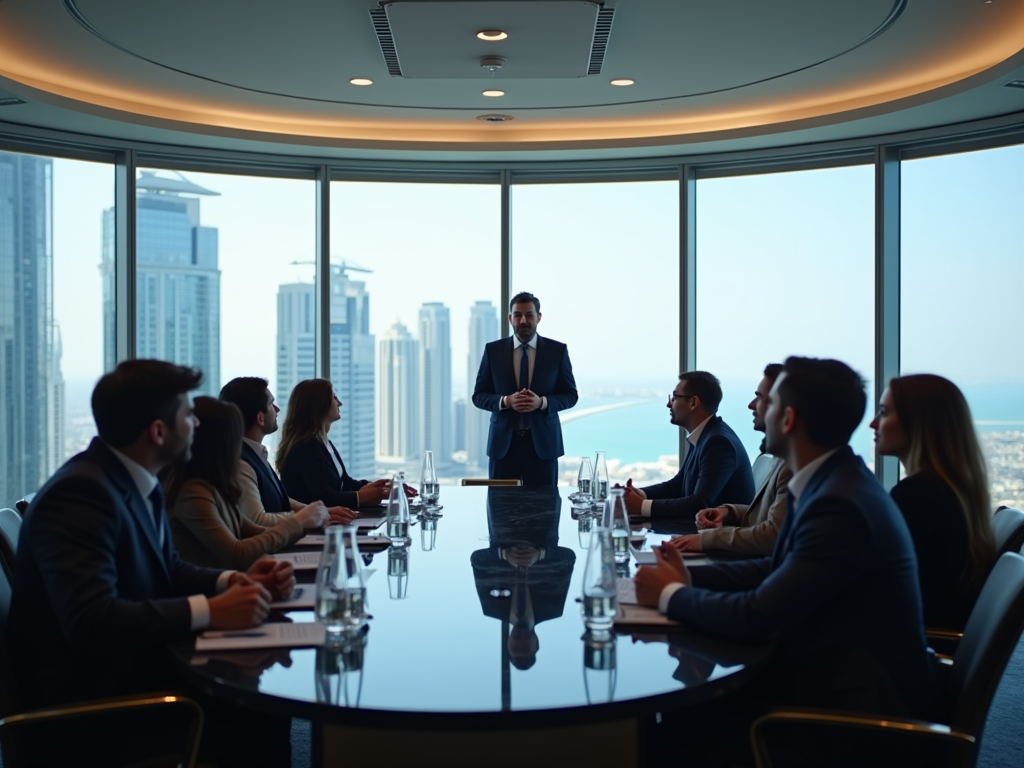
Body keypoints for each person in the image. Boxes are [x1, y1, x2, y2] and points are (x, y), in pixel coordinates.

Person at [6, 360, 295, 765]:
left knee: (261, 704)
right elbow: (93, 621)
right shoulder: (80, 495)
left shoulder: (139, 481)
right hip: (101, 709)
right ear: (159, 431)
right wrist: (210, 610)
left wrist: (230, 581)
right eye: (187, 416)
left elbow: (169, 568)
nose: (196, 425)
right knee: (256, 714)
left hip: (138, 672)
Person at [634, 357, 936, 722]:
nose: (754, 408)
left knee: (676, 721)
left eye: (769, 402)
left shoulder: (839, 505)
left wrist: (670, 594)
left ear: (789, 419)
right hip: (824, 673)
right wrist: (687, 576)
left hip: (848, 714)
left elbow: (755, 616)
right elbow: (776, 566)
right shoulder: (829, 481)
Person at [871, 374, 995, 630]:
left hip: (906, 649)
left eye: (883, 413)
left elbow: (880, 588)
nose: (873, 424)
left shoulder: (918, 496)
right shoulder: (949, 489)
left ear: (919, 424)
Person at [165, 396, 325, 570]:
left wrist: (302, 524)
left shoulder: (214, 485)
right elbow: (237, 554)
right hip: (214, 590)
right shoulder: (194, 492)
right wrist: (297, 522)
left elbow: (253, 530)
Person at [670, 364, 792, 556]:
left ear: (788, 413)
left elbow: (772, 535)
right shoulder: (784, 460)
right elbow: (768, 515)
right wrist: (728, 512)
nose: (751, 405)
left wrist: (706, 540)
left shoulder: (718, 441)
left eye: (759, 398)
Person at [471, 291, 578, 486]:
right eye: (518, 315)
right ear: (510, 318)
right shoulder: (493, 351)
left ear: (539, 317)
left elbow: (570, 395)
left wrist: (542, 402)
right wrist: (506, 401)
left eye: (529, 315)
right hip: (503, 446)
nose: (523, 320)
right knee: (500, 511)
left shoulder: (557, 351)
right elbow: (478, 396)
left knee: (545, 511)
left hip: (543, 446)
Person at [219, 376, 355, 526]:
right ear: (260, 418)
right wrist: (304, 518)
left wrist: (321, 511)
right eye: (271, 404)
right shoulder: (242, 463)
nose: (277, 409)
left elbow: (281, 498)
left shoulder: (255, 454)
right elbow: (257, 520)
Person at [622, 371, 754, 519]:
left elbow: (699, 505)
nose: (669, 404)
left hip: (717, 538)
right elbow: (678, 485)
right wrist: (641, 494)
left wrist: (641, 506)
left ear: (693, 402)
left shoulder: (718, 443)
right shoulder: (705, 434)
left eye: (675, 397)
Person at [277, 378, 394, 509]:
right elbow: (325, 498)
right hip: (314, 527)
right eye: (334, 398)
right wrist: (367, 496)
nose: (340, 403)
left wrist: (380, 486)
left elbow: (345, 483)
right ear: (319, 404)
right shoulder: (305, 448)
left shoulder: (323, 442)